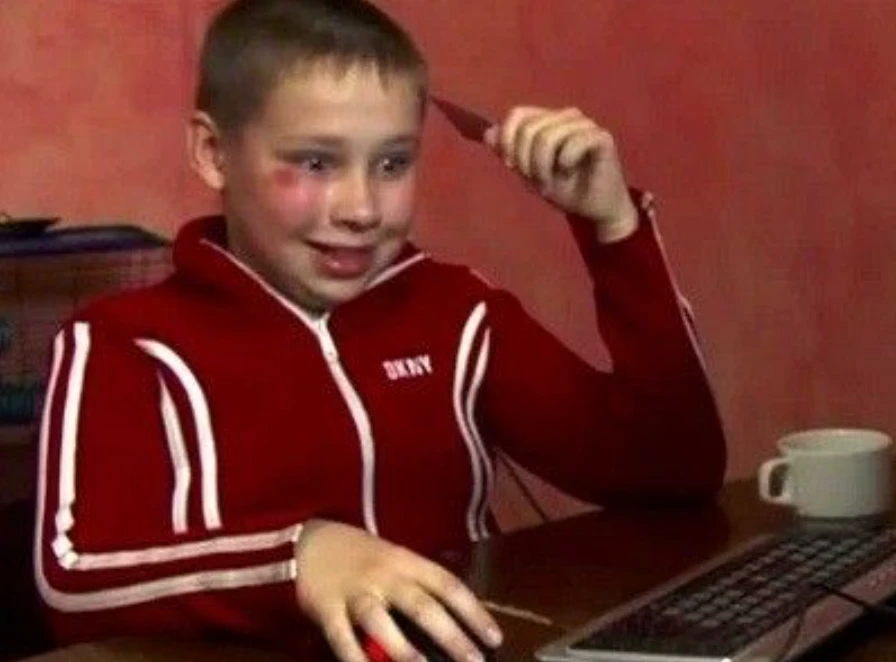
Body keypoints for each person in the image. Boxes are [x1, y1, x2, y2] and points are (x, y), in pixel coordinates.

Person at [33, 0, 727, 661]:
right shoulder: (126, 341)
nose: (362, 208)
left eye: (392, 163)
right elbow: (75, 576)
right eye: (316, 163)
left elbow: (673, 468)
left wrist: (614, 228)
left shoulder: (456, 311)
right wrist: (302, 558)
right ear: (214, 153)